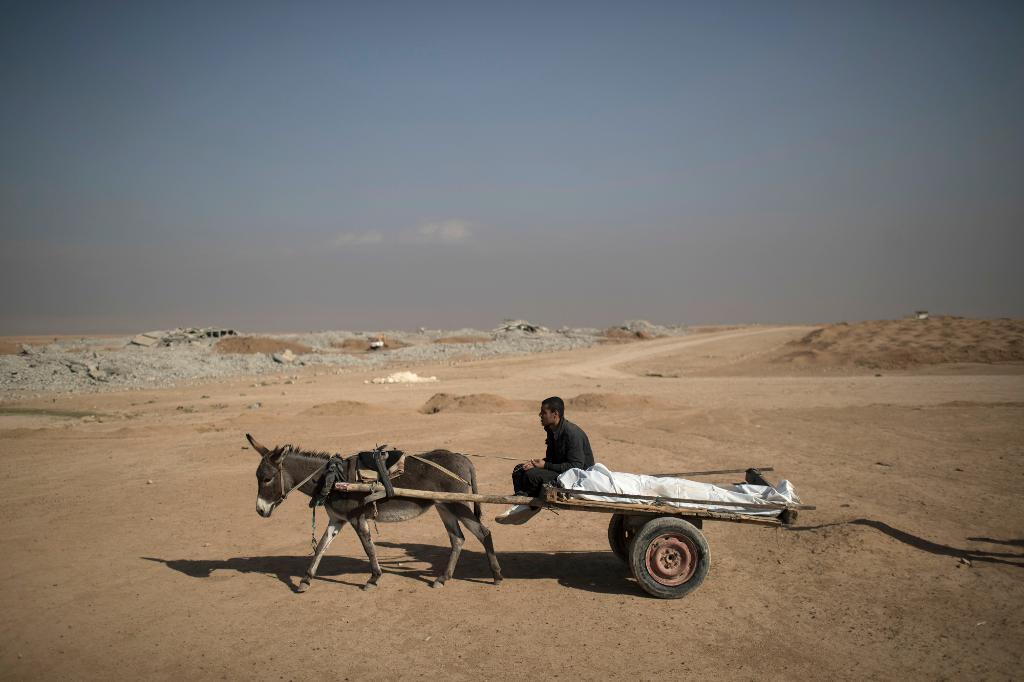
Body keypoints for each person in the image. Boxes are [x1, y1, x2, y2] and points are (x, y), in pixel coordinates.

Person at [512, 396, 594, 497]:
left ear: (555, 414)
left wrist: (545, 465)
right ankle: (521, 498)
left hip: (576, 478)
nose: (540, 415)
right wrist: (535, 464)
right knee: (519, 470)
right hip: (560, 471)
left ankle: (529, 499)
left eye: (544, 412)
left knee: (532, 476)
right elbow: (552, 459)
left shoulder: (572, 433)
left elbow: (576, 467)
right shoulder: (551, 430)